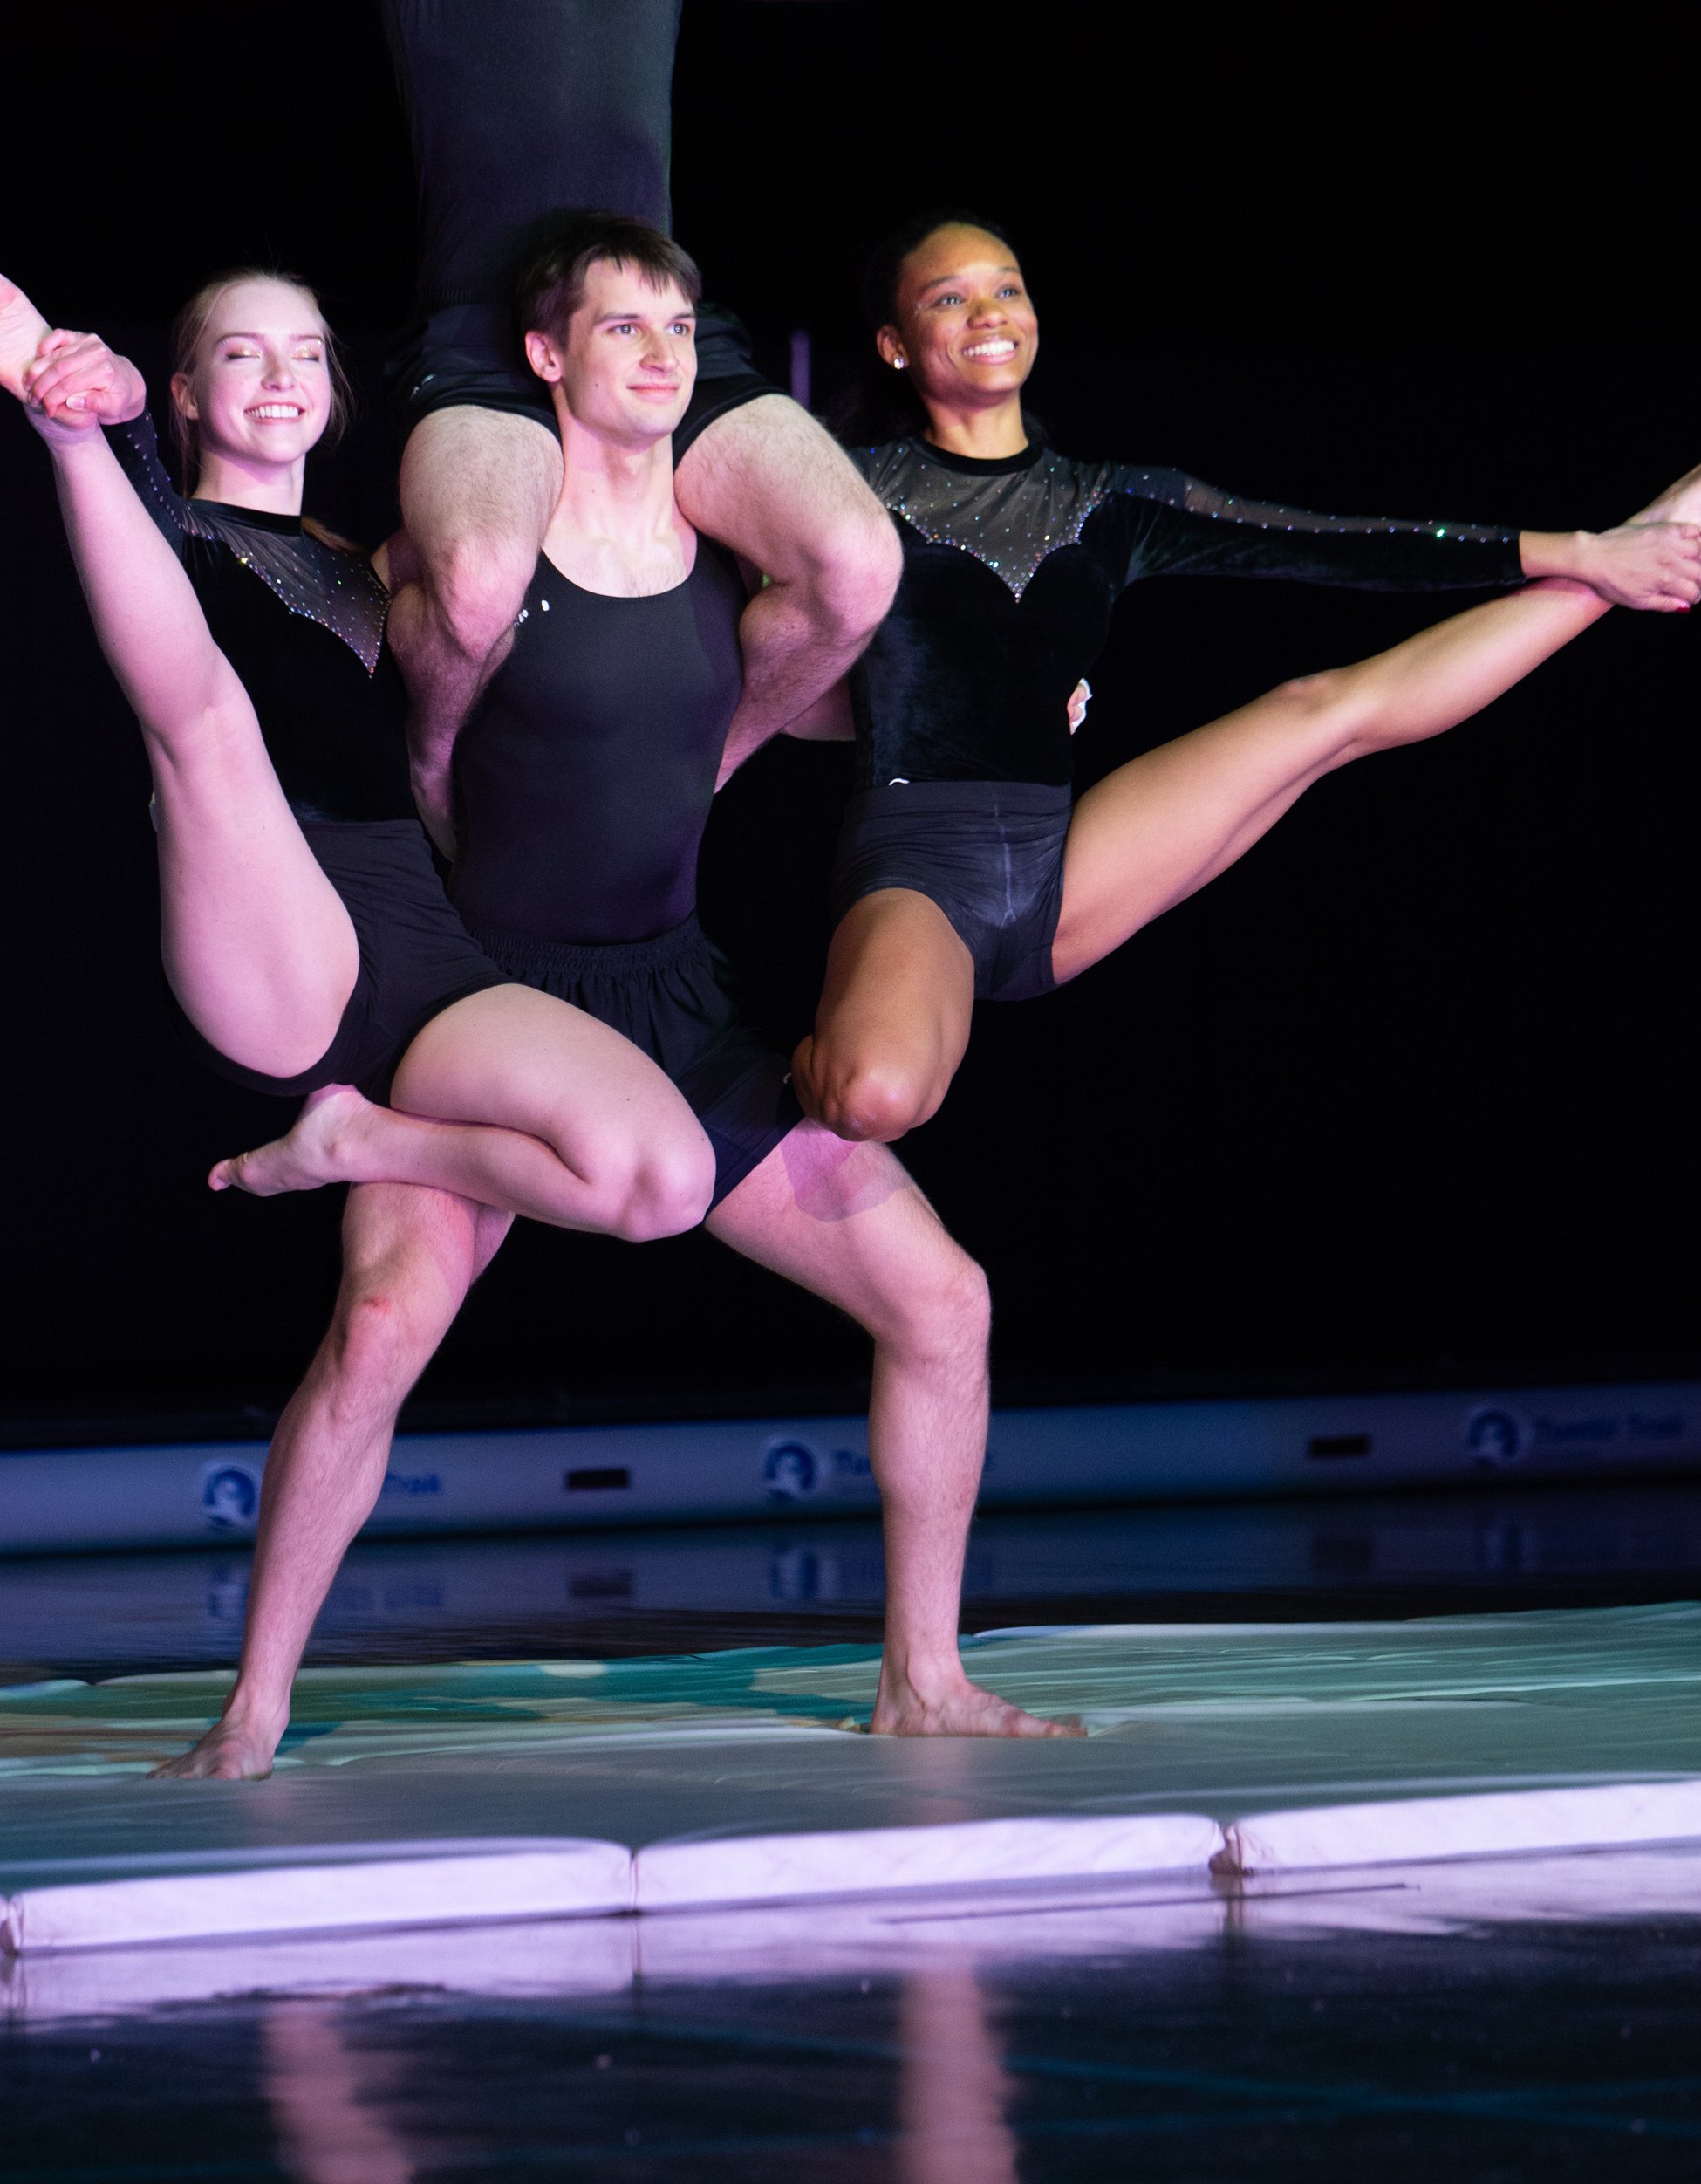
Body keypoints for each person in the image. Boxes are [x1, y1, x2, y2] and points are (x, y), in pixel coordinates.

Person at [184, 217, 1076, 1777]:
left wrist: (1019, 690)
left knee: (944, 1301)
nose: (664, 355)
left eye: (680, 328)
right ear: (545, 359)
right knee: (379, 1328)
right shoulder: (471, 556)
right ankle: (250, 1710)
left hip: (675, 997)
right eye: (623, 329)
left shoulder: (731, 562)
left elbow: (863, 692)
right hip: (478, 994)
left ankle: (923, 1677)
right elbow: (326, 675)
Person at [0, 0, 901, 835]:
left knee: (855, 563)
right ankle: (435, 774)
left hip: (655, 338)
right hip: (481, 346)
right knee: (477, 584)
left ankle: (694, 779)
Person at [789, 214, 1701, 1142]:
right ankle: (780, 1080)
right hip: (919, 863)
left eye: (1006, 288)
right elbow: (772, 686)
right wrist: (940, 696)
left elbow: (1343, 545)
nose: (989, 313)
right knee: (873, 1096)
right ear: (894, 345)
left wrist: (1577, 549)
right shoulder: (849, 487)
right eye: (949, 298)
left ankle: (1614, 568)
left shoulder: (1111, 498)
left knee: (1325, 710)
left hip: (1064, 868)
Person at [0, 248, 715, 1243]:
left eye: (306, 354)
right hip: (270, 948)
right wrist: (99, 406)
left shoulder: (377, 568)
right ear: (186, 393)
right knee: (211, 721)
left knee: (666, 1181)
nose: (281, 376)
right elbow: (145, 477)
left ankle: (354, 1141)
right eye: (242, 354)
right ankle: (61, 432)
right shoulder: (168, 530)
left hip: (419, 938)